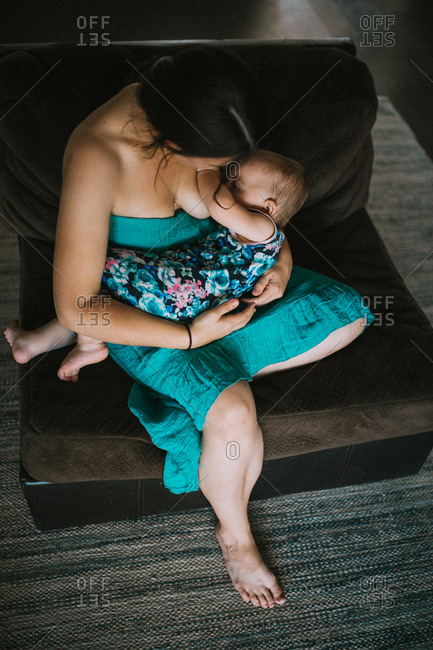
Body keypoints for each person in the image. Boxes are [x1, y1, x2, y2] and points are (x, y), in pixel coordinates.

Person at [4, 46, 373, 609]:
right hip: (152, 313)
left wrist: (280, 263)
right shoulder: (98, 153)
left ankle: (198, 388)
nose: (220, 177)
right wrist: (192, 337)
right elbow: (83, 305)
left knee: (346, 315)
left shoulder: (214, 102)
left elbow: (261, 213)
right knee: (233, 411)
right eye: (215, 165)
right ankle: (235, 532)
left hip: (216, 280)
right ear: (171, 143)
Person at [5, 151, 306, 381]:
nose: (228, 184)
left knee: (95, 268)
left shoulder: (262, 228)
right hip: (188, 294)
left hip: (181, 293)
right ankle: (33, 343)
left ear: (269, 208)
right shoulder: (258, 230)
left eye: (237, 184)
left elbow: (218, 204)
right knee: (107, 298)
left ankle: (90, 344)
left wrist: (205, 169)